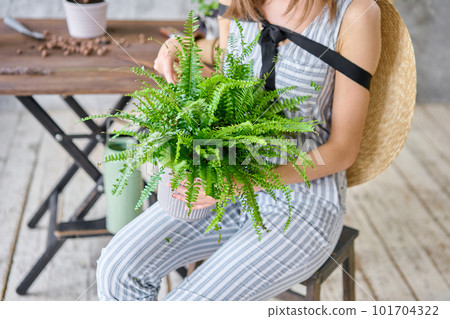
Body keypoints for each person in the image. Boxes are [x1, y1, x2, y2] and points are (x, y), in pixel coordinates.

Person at [96, 0, 381, 301]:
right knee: (116, 272)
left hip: (302, 202)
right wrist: (183, 49)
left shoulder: (355, 14)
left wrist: (244, 184)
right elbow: (228, 70)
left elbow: (343, 149)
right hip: (226, 172)